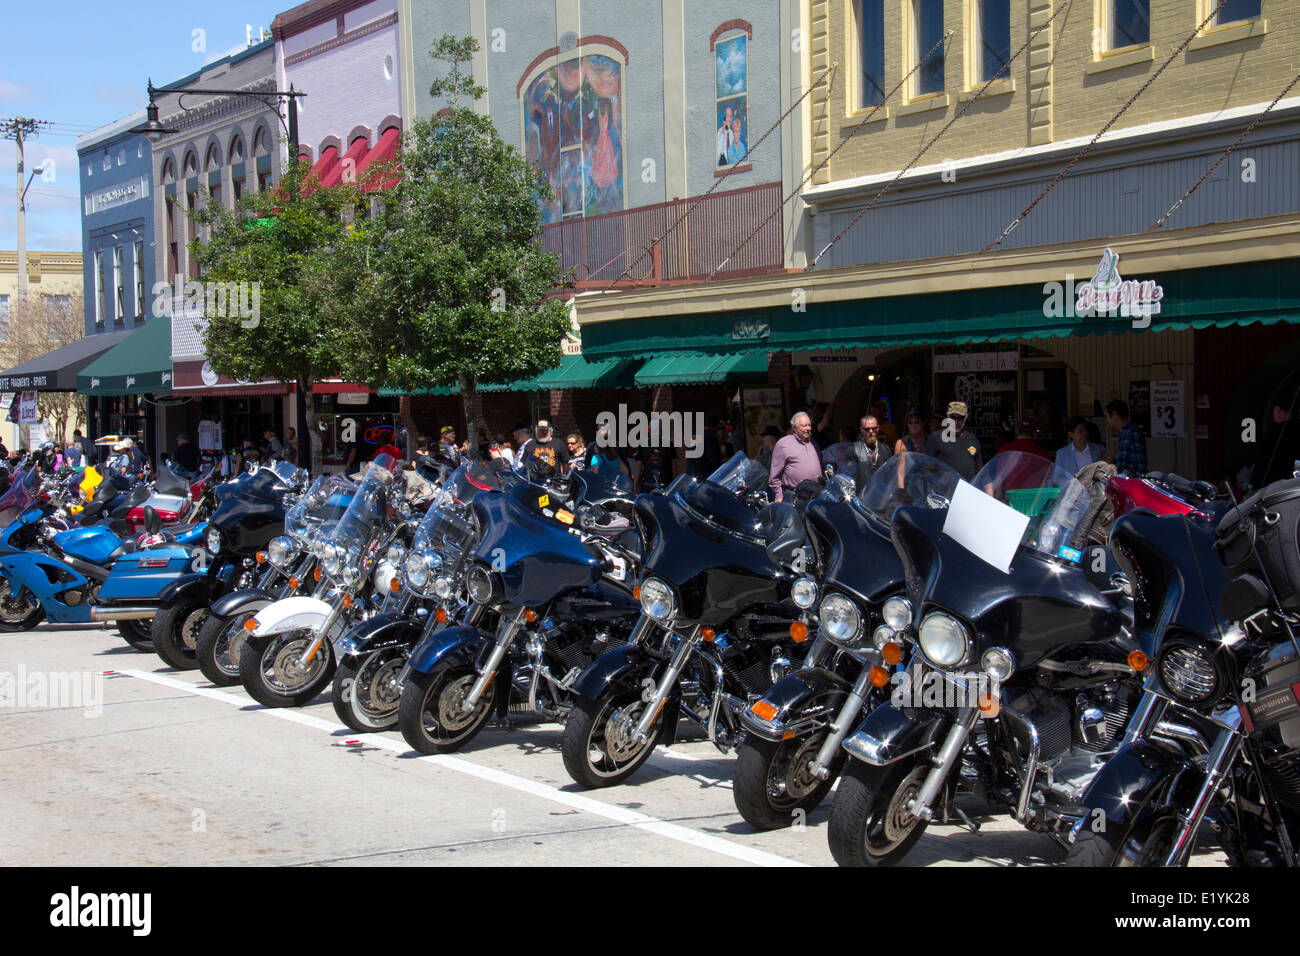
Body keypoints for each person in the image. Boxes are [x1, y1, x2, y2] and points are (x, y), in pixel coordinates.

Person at [1251, 379, 1300, 489]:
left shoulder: (1275, 434)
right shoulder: (1295, 432)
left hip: (1274, 489)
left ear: (1278, 410)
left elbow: (1263, 465)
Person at [768, 411, 822, 503]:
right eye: (804, 426)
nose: (808, 428)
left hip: (815, 495)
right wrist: (778, 495)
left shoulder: (814, 444)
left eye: (809, 425)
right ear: (794, 428)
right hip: (794, 496)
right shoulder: (783, 444)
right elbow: (774, 476)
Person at [924, 401, 984, 481]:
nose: (955, 422)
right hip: (943, 492)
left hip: (967, 490)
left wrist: (988, 490)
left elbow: (980, 470)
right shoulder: (935, 438)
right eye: (952, 418)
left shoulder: (973, 439)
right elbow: (927, 469)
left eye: (960, 418)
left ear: (966, 418)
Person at [850, 414, 894, 492]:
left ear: (878, 428)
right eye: (867, 429)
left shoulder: (886, 449)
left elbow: (891, 475)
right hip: (860, 496)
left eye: (874, 428)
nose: (871, 432)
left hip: (880, 496)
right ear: (861, 430)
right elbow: (848, 476)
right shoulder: (854, 449)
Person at [1105, 399, 1147, 477]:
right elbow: (1125, 464)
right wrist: (1113, 462)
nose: (1107, 420)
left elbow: (1139, 464)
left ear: (1114, 414)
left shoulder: (1131, 432)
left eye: (1107, 416)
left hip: (1131, 483)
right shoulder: (1125, 432)